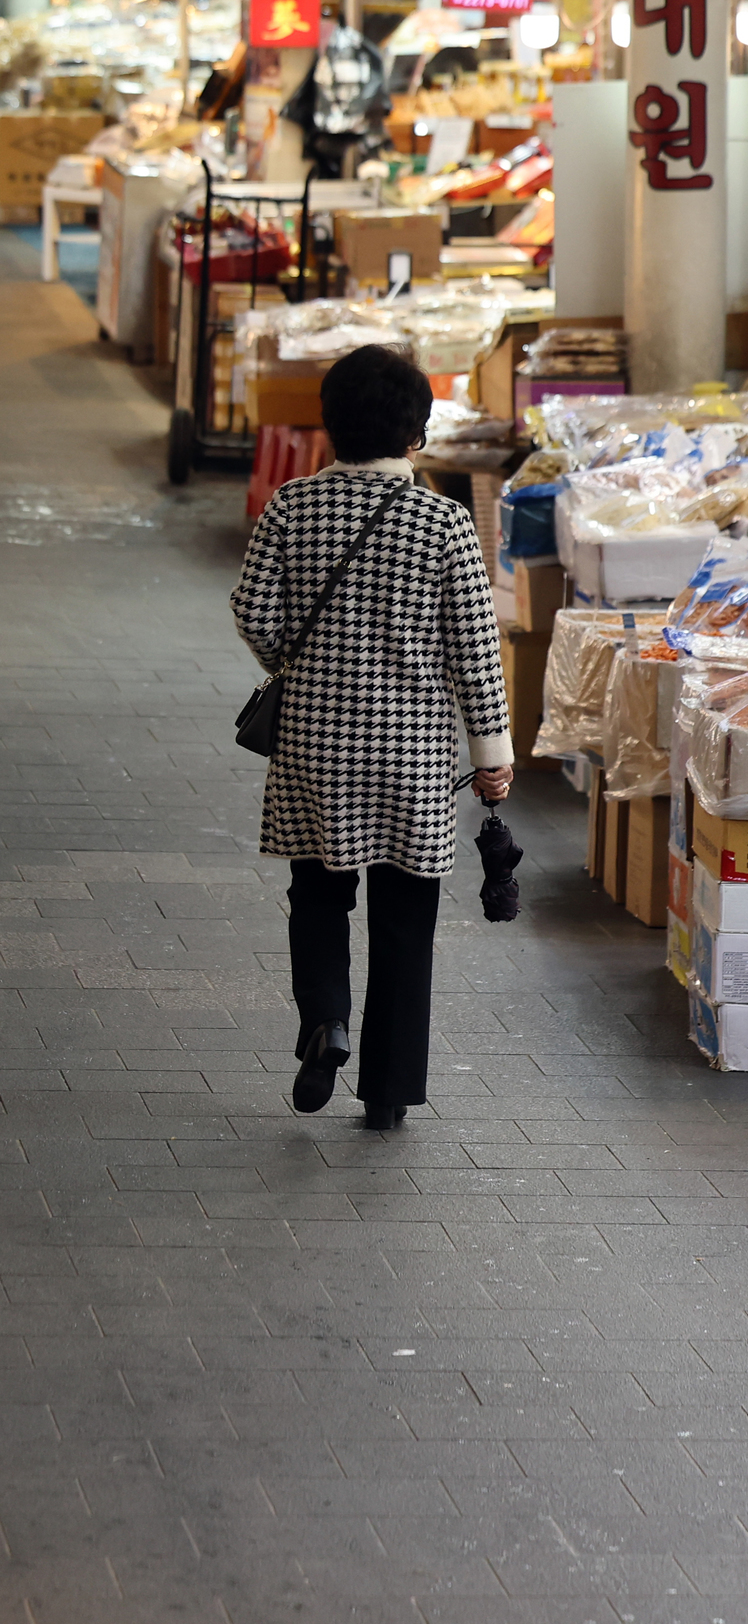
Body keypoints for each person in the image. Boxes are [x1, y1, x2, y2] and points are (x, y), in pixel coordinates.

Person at [230, 344, 513, 1129]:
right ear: (416, 435)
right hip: (412, 753)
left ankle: (324, 1017)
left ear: (328, 427)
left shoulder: (292, 507)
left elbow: (251, 609)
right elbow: (476, 651)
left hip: (316, 743)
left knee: (318, 890)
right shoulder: (444, 523)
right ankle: (387, 1091)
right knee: (404, 914)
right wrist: (492, 758)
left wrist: (295, 657)